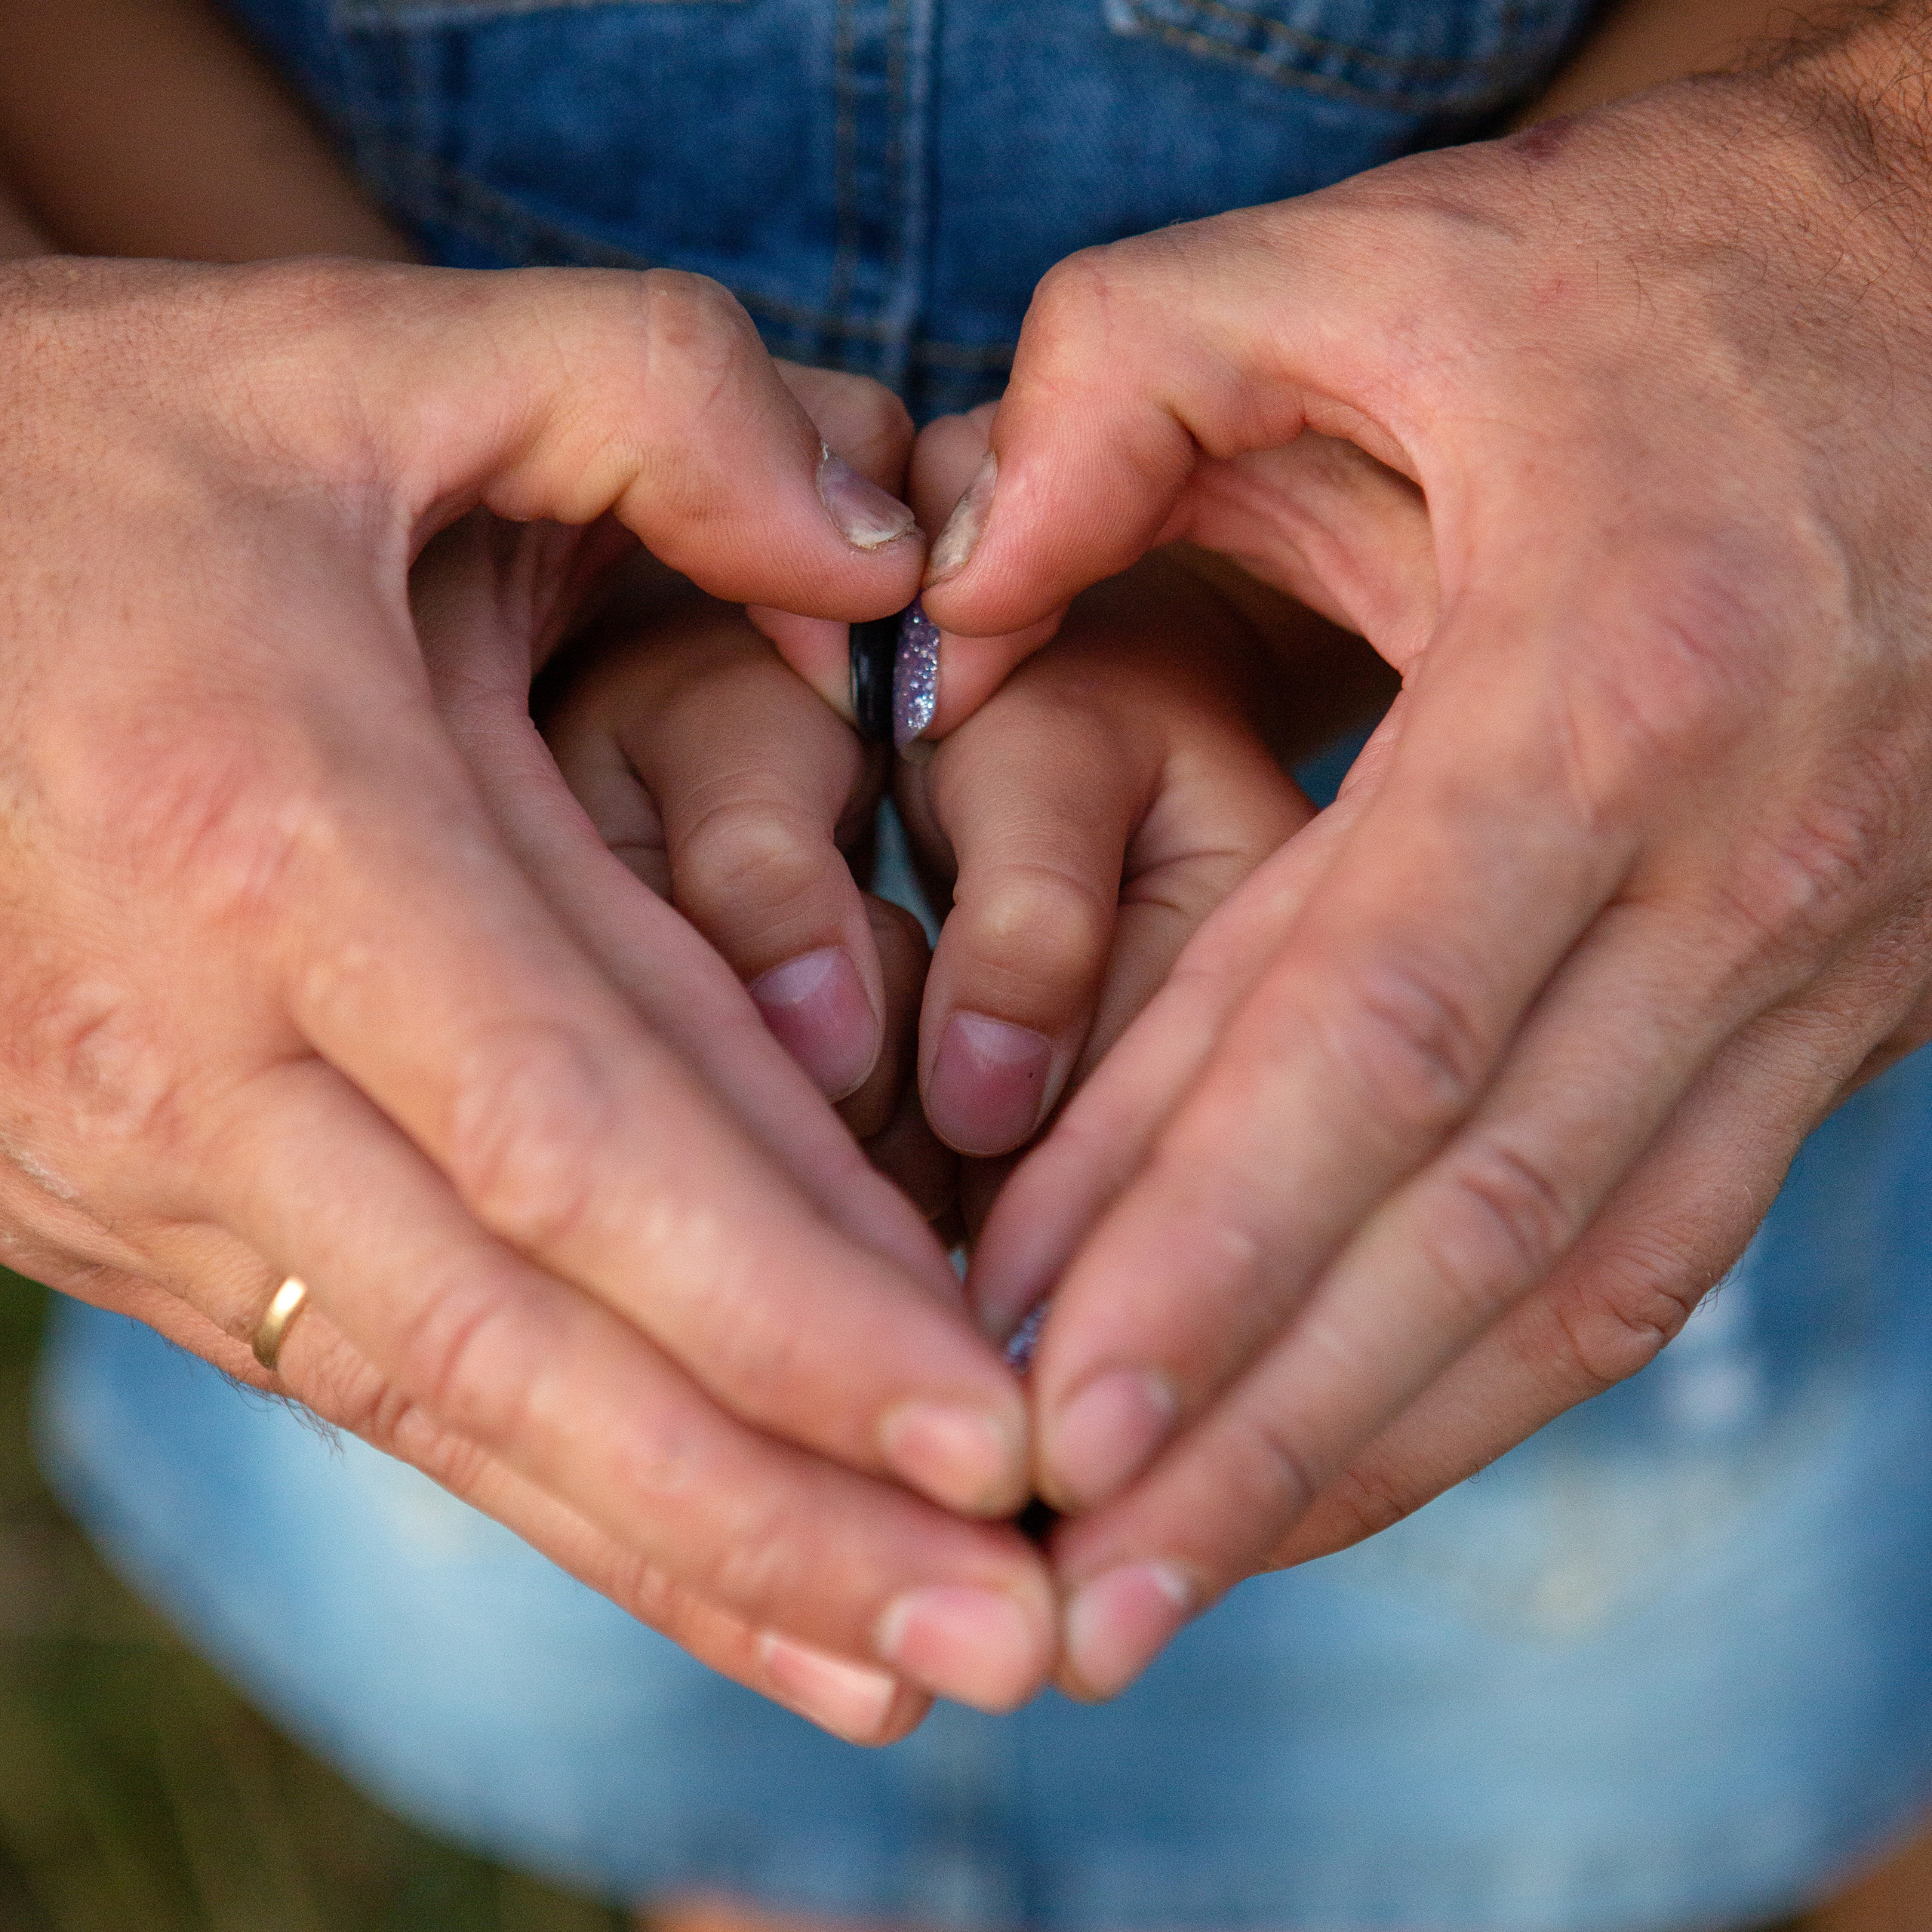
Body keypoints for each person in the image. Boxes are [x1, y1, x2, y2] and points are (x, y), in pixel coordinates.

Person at [10, 4, 1932, 1932]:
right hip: (308, 763)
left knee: (1640, 1639)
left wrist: (1878, 226)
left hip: (1620, 717)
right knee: (596, 1468)